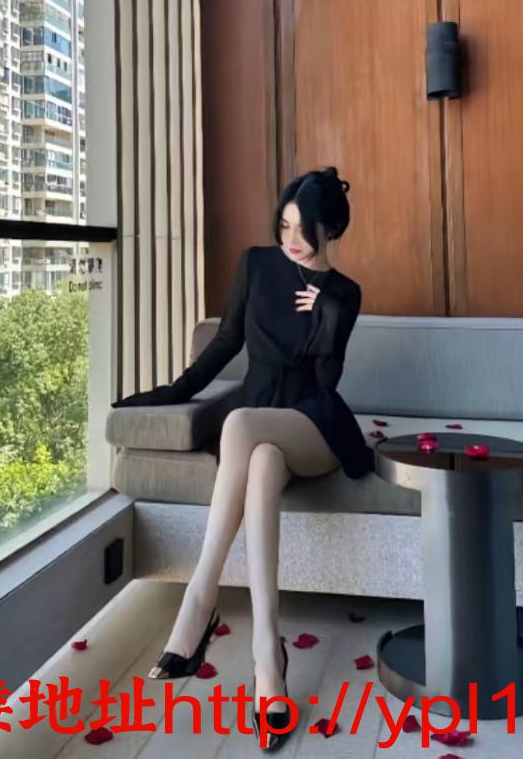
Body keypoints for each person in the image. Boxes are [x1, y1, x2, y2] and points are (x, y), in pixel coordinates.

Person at [112, 166, 374, 751]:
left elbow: (326, 383)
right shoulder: (256, 265)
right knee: (258, 462)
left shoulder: (344, 292)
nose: (292, 241)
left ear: (331, 231)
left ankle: (200, 598)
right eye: (285, 226)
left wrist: (325, 311)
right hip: (260, 434)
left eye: (305, 230)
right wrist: (172, 391)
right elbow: (226, 343)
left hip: (313, 426)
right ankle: (267, 658)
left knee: (239, 423)